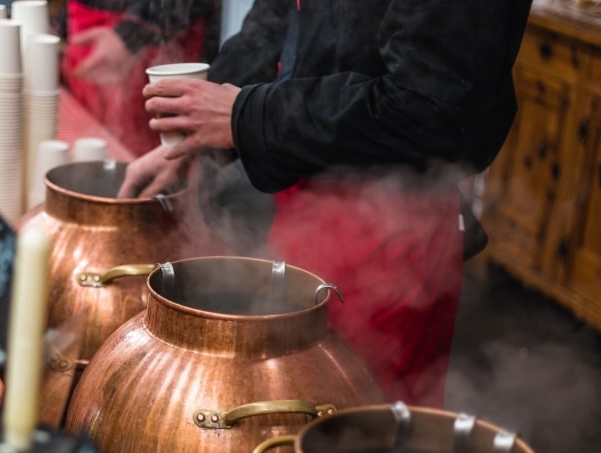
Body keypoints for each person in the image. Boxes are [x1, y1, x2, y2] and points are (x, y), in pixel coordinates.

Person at [118, 0, 534, 408]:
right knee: (279, 414)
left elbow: (431, 110)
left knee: (354, 440)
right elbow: (278, 18)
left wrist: (245, 117)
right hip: (297, 207)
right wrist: (200, 129)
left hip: (387, 239)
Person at [60, 0, 219, 156]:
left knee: (157, 154)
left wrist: (129, 35)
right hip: (85, 20)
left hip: (156, 32)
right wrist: (62, 28)